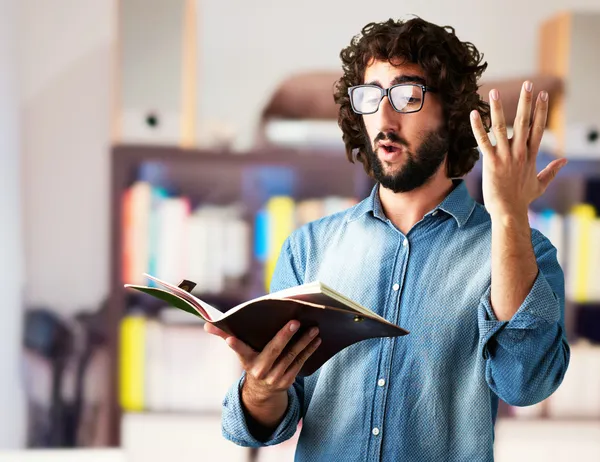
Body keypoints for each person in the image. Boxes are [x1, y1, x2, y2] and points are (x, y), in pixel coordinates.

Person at [205, 16, 570, 461]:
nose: (384, 115)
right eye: (371, 96)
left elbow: (526, 383)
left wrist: (510, 215)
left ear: (451, 110)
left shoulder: (522, 253)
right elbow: (271, 421)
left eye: (406, 94)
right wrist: (260, 390)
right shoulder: (309, 248)